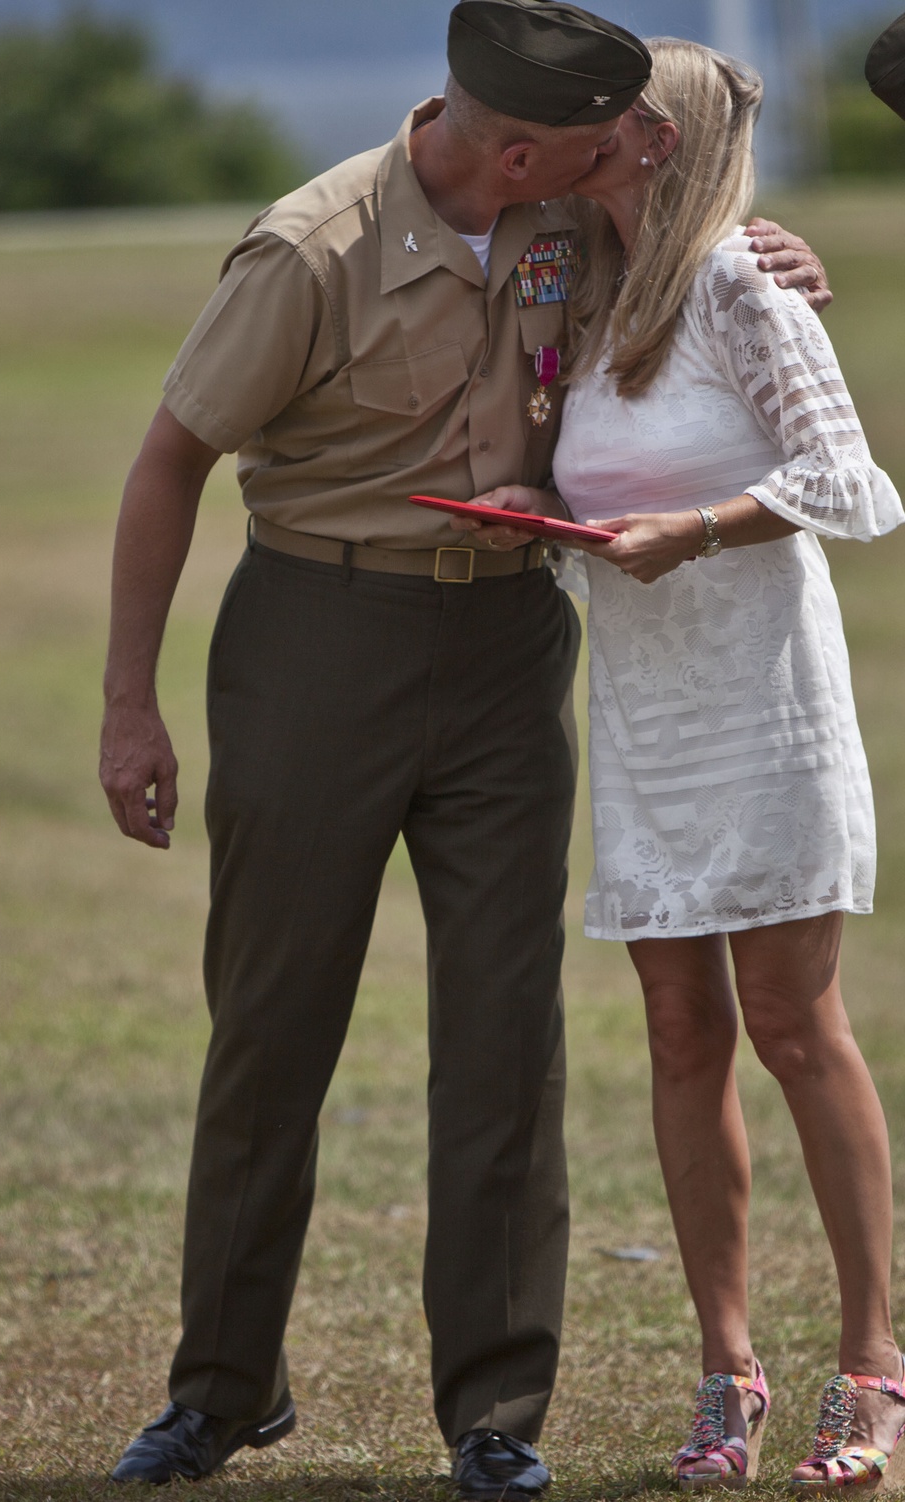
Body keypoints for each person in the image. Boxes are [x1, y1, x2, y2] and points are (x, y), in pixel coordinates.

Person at [98, 2, 830, 1492]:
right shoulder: (312, 250)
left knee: (507, 1035)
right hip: (320, 638)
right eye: (597, 139)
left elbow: (686, 248)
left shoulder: (565, 205)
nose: (625, 153)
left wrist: (784, 251)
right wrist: (130, 702)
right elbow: (173, 452)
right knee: (273, 1022)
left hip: (509, 651)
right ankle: (223, 1387)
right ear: (509, 147)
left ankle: (495, 1416)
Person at [459, 35, 905, 1496]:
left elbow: (853, 484)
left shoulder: (743, 284)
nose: (575, 127)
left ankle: (874, 1366)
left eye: (607, 110)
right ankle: (729, 1368)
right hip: (650, 718)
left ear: (655, 138)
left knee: (792, 1021)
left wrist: (696, 530)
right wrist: (534, 499)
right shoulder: (579, 294)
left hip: (763, 706)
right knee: (676, 1033)